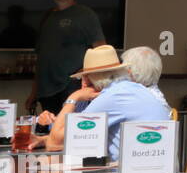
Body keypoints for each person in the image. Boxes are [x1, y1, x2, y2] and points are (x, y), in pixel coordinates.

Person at [31, 45, 170, 159]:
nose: (83, 81)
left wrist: (73, 98)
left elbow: (55, 143)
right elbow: (82, 139)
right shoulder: (131, 89)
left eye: (84, 77)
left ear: (90, 77)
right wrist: (43, 140)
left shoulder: (111, 96)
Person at [27, 0, 105, 115]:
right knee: (51, 130)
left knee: (70, 130)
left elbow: (101, 50)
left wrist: (85, 74)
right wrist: (33, 92)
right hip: (46, 89)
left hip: (72, 86)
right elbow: (41, 57)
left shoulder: (85, 14)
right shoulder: (47, 17)